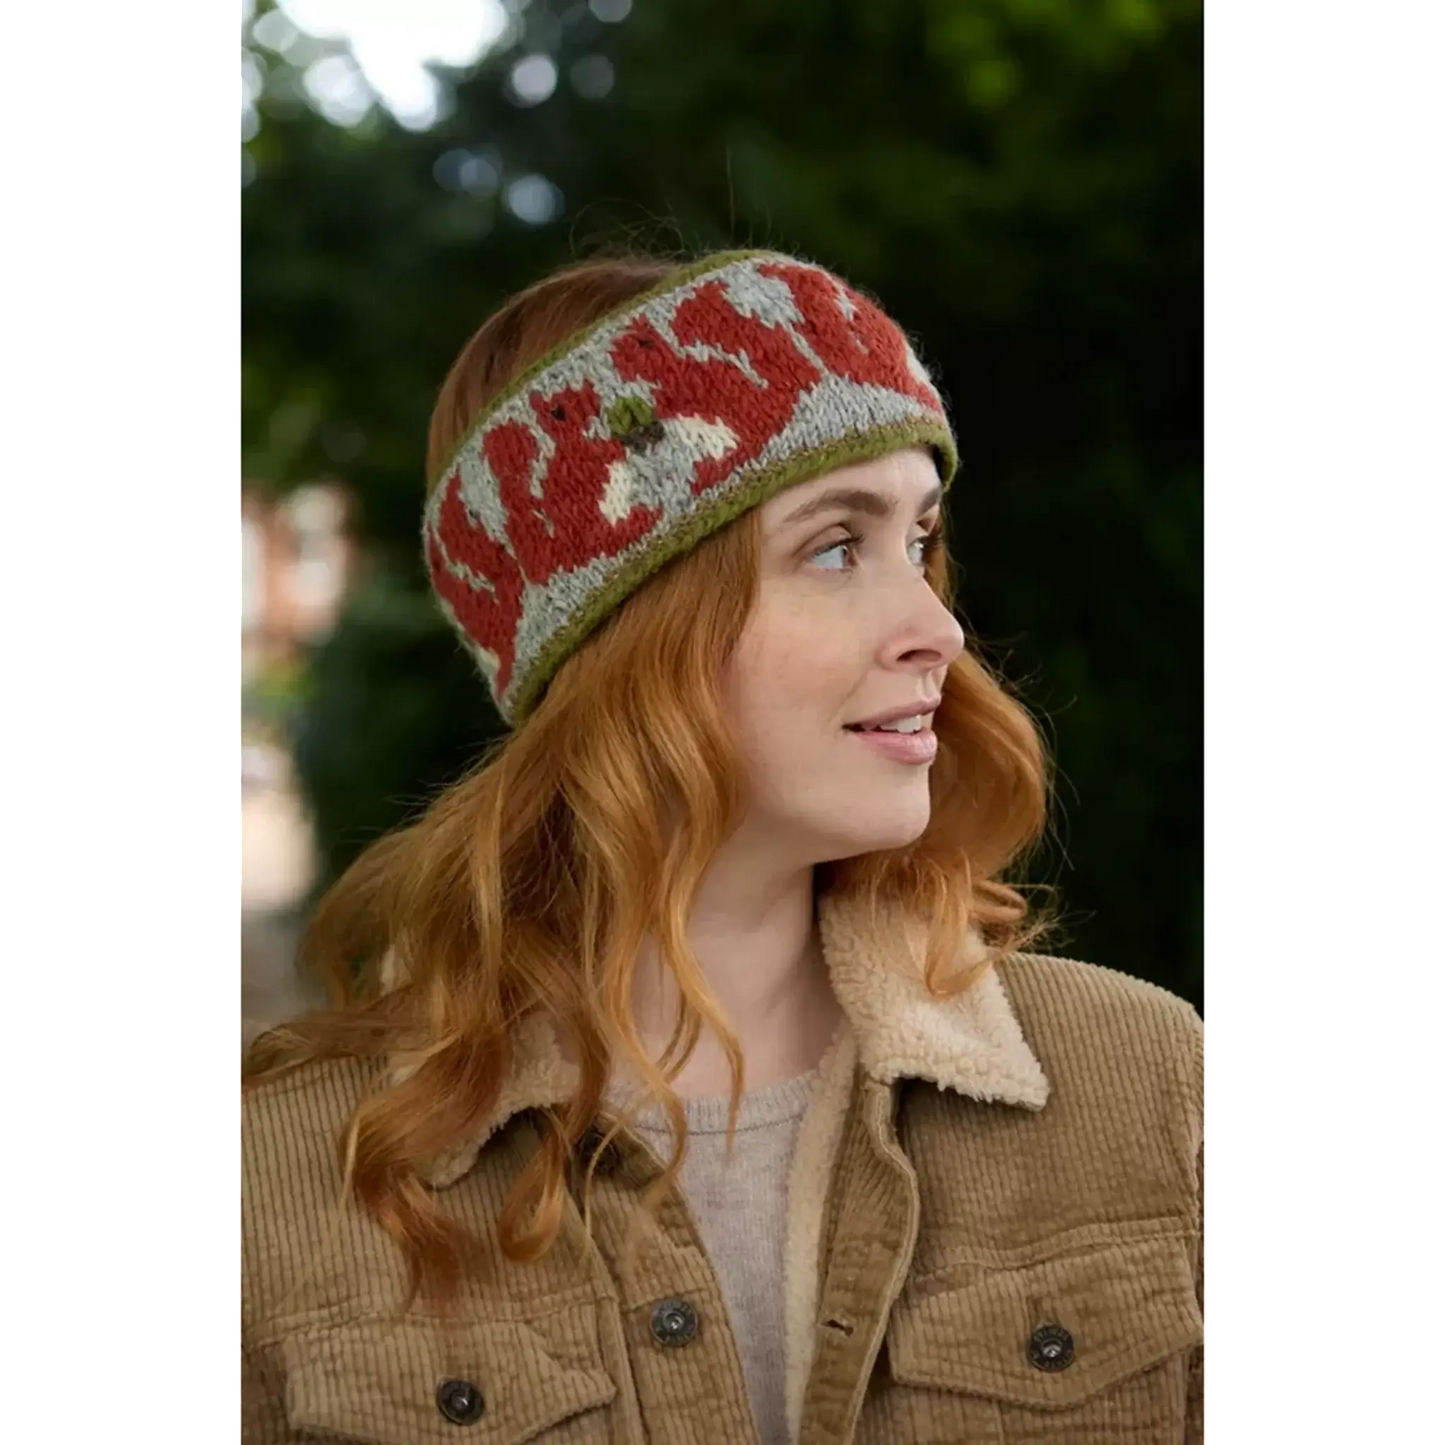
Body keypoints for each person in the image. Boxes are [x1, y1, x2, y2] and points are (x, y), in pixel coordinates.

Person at [240, 249, 1205, 1444]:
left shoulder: (1148, 1086)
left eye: (918, 540)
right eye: (834, 546)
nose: (937, 627)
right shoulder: (282, 1184)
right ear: (622, 634)